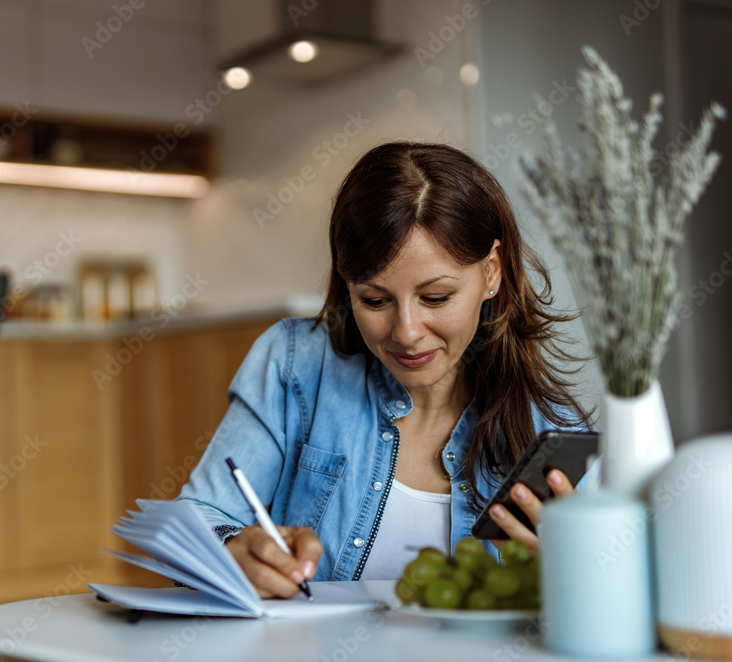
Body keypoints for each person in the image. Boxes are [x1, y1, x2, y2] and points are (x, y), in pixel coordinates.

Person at [175, 141, 593, 599]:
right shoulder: (297, 364)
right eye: (375, 300)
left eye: (435, 297)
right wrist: (231, 548)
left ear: (491, 272)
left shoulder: (550, 433)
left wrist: (580, 578)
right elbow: (192, 523)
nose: (407, 332)